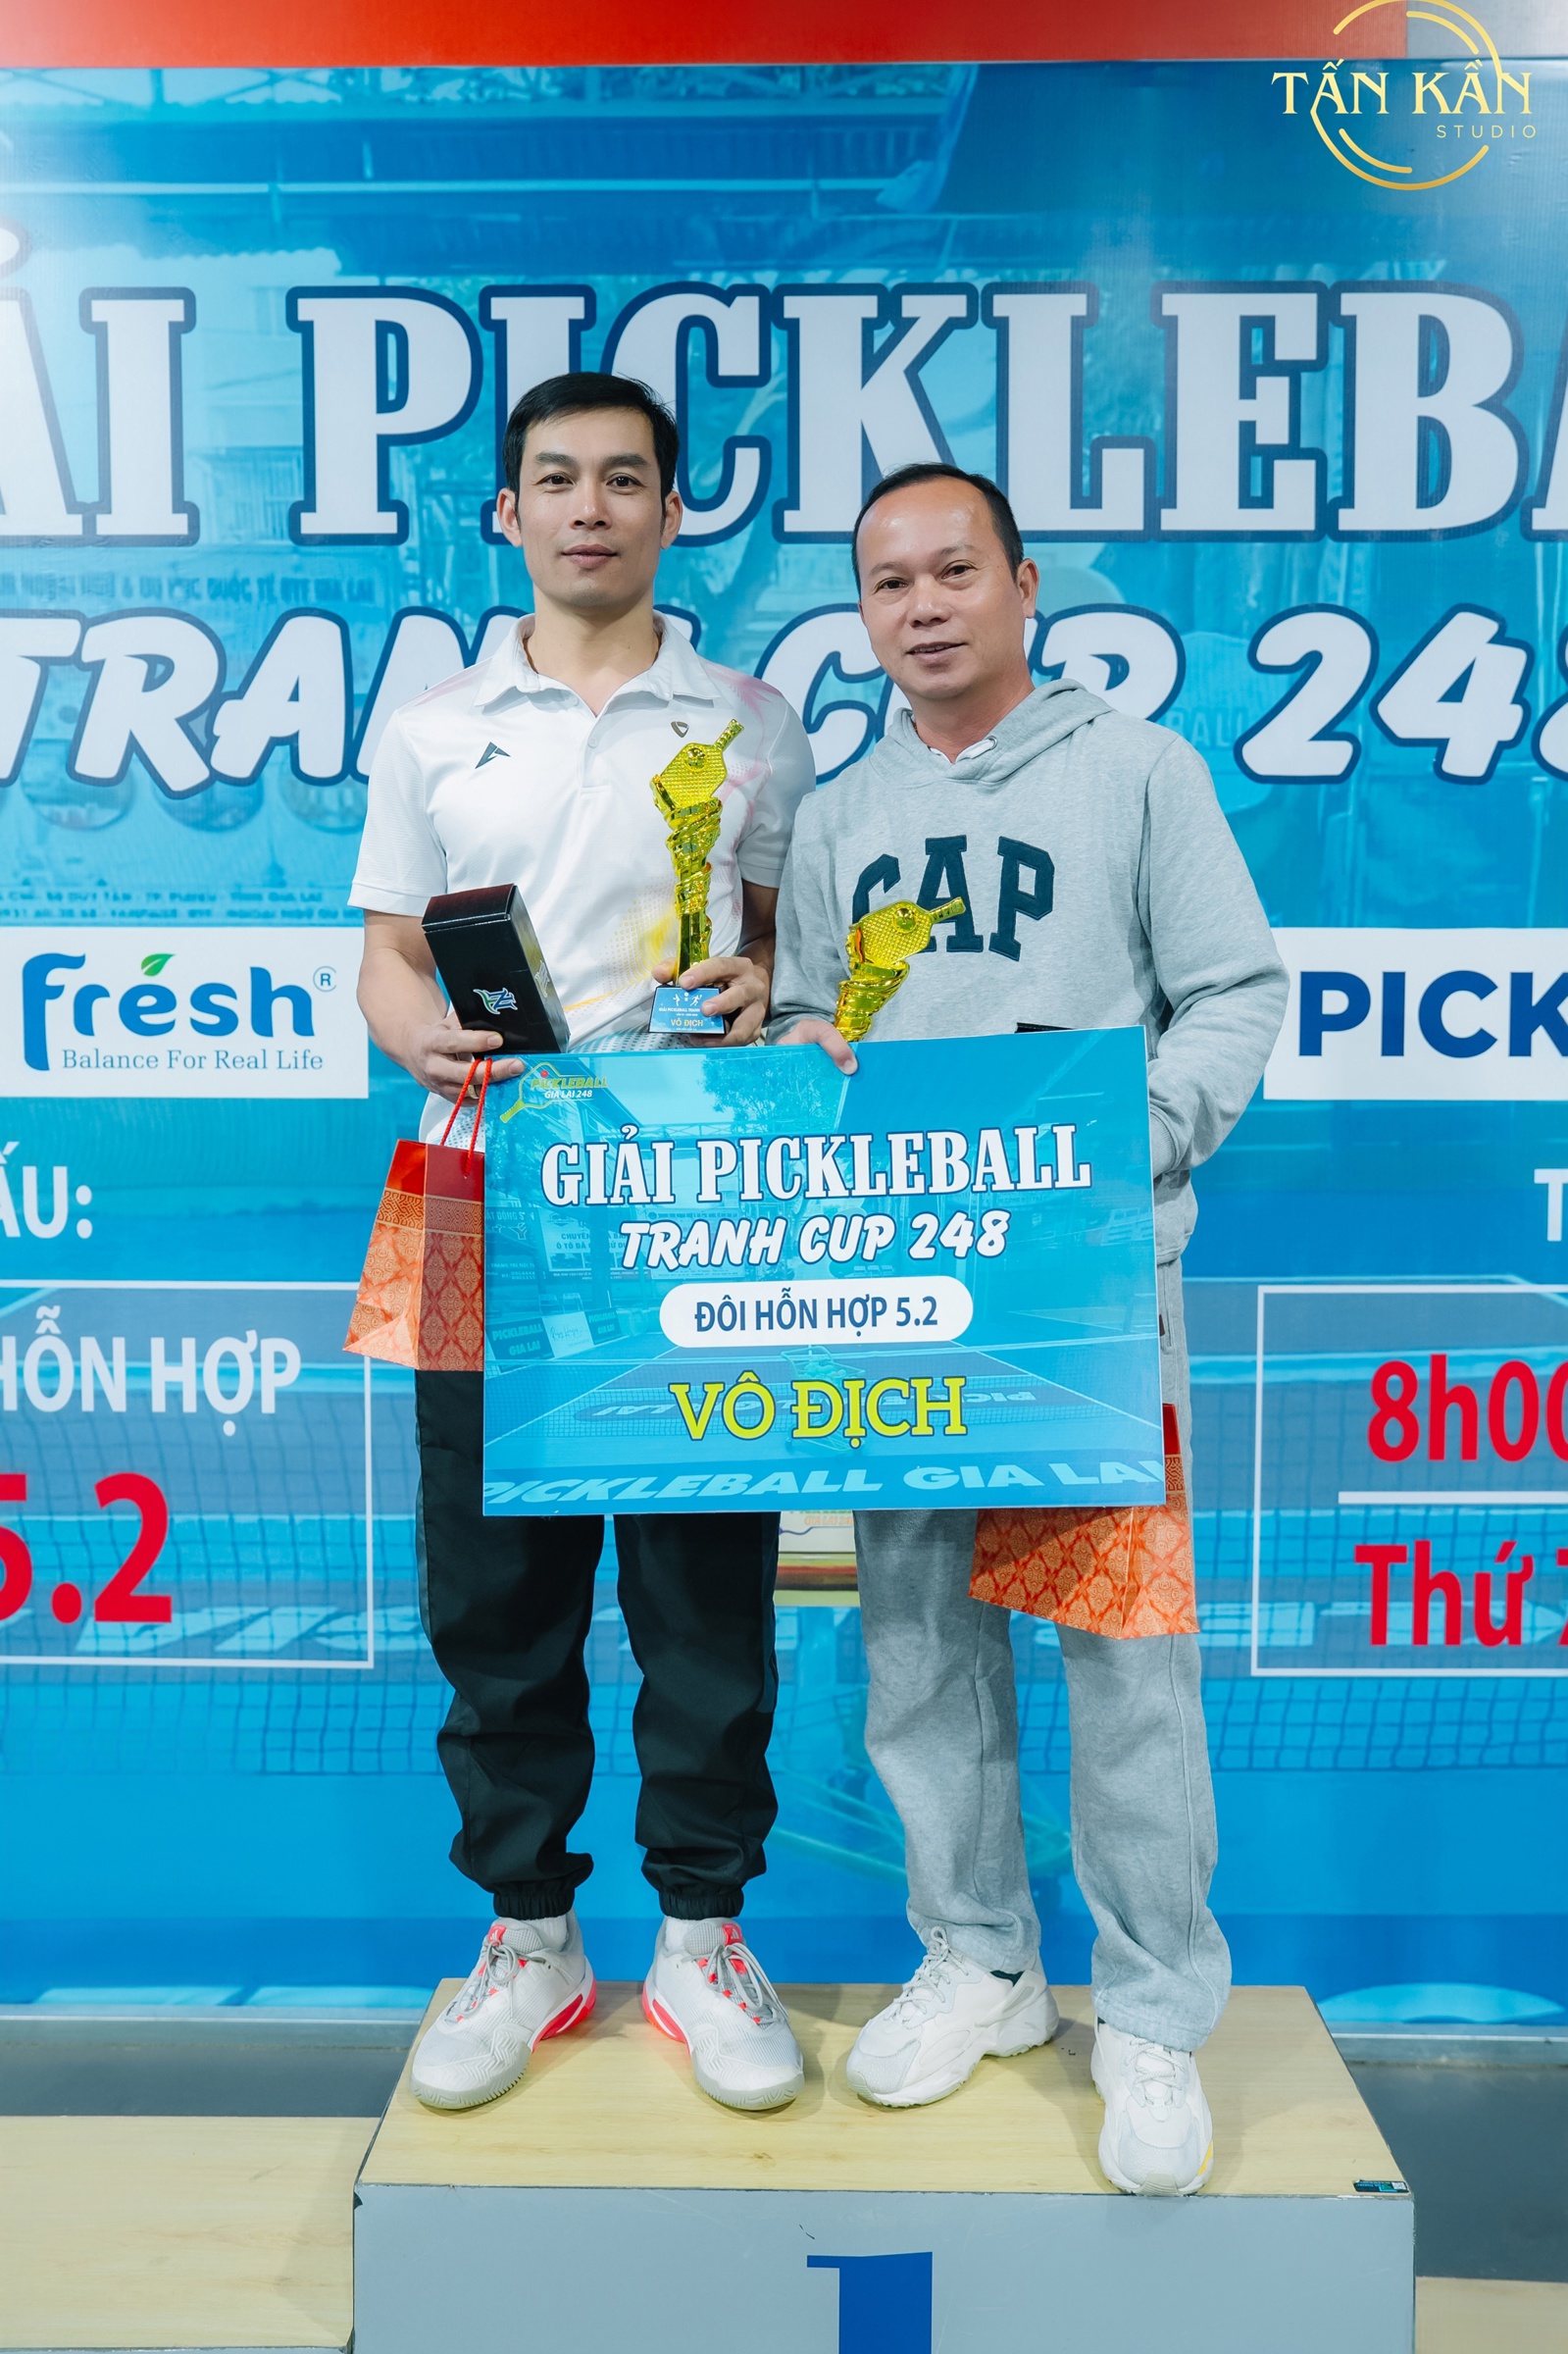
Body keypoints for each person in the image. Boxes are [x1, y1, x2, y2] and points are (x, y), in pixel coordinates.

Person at [771, 461, 1287, 2193]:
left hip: (1087, 1287)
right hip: (897, 1290)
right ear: (863, 613)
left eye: (954, 571)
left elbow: (1234, 991)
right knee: (917, 1636)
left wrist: (1129, 1140)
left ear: (1023, 583)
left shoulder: (1138, 772)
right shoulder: (838, 814)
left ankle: (1153, 2004)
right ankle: (979, 1955)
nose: (921, 607)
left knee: (1124, 1654)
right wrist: (802, 1060)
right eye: (888, 583)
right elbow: (801, 1018)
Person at [351, 372, 814, 2115]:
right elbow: (389, 951)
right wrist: (413, 1030)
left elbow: (788, 952)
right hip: (478, 1184)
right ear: (510, 512)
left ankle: (702, 1935)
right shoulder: (432, 727)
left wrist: (765, 987)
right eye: (556, 479)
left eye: (626, 479)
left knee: (705, 1585)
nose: (590, 508)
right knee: (494, 1587)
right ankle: (529, 1936)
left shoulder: (752, 721)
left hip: (700, 1200)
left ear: (674, 512)